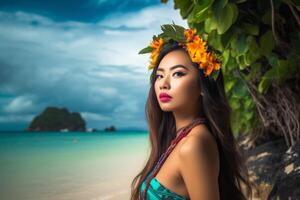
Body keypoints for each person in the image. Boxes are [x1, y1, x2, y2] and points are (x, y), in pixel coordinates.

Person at [130, 24, 253, 200]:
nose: (164, 83)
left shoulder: (192, 145)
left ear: (202, 87)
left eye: (177, 74)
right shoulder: (179, 137)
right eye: (159, 75)